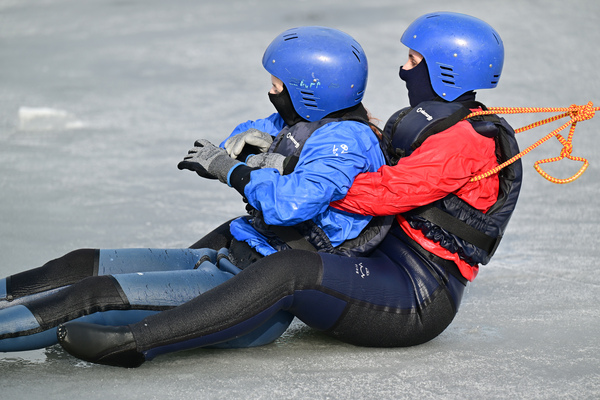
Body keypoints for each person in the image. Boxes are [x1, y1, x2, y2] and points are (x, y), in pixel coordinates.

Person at [55, 12, 523, 369]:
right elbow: (346, 152)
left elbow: (384, 193)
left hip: (416, 294)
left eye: (414, 61)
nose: (403, 69)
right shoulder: (437, 123)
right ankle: (128, 300)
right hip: (379, 261)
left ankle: (138, 341)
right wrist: (282, 159)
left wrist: (294, 177)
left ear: (448, 70)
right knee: (238, 233)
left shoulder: (466, 142)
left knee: (292, 270)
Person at [0, 26, 386, 352]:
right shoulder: (305, 120)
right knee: (79, 263)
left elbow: (288, 205)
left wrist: (238, 171)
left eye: (276, 85)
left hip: (252, 292)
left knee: (94, 296)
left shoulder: (348, 143)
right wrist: (250, 155)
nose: (271, 92)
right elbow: (245, 135)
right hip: (234, 254)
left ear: (308, 91)